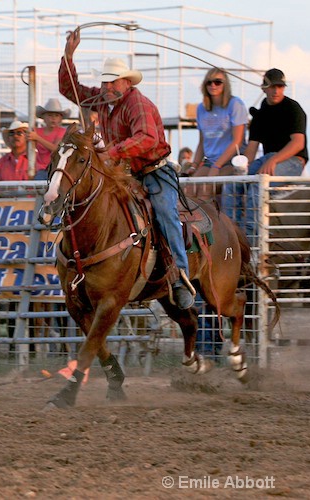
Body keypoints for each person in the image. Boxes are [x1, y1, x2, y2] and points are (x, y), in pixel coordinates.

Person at [59, 28, 194, 309]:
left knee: (167, 214)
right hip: (124, 172)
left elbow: (147, 139)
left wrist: (113, 152)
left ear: (125, 82)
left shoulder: (137, 104)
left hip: (154, 171)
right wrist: (68, 55)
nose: (106, 87)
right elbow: (70, 89)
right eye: (104, 82)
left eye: (112, 82)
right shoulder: (105, 101)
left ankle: (181, 276)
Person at [224, 68, 308, 244]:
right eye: (272, 86)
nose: (276, 90)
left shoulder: (293, 108)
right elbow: (252, 148)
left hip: (293, 161)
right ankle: (233, 236)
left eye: (280, 86)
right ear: (264, 88)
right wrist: (241, 168)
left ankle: (251, 243)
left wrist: (274, 160)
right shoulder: (260, 114)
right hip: (268, 158)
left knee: (257, 188)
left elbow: (298, 143)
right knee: (232, 184)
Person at [185, 69, 247, 199]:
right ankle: (189, 220)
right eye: (209, 82)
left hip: (230, 161)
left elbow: (238, 140)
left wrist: (217, 166)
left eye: (217, 82)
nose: (213, 85)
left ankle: (207, 220)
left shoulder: (235, 104)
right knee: (188, 190)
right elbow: (202, 142)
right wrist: (195, 165)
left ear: (225, 85)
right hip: (210, 161)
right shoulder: (201, 108)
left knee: (206, 188)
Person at [29, 98, 70, 180]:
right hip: (40, 169)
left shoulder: (62, 131)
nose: (53, 118)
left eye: (56, 115)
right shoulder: (36, 131)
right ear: (44, 117)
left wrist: (37, 138)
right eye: (50, 115)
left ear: (60, 118)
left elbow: (56, 148)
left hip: (57, 168)